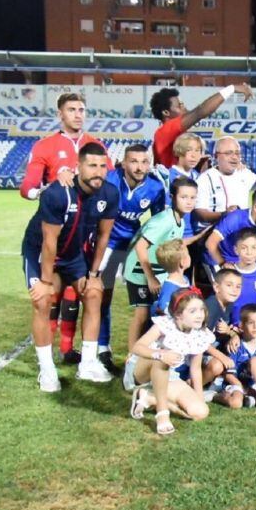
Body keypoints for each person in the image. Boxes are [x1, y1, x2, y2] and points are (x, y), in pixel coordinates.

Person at [20, 92, 114, 365]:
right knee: (49, 297)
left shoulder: (95, 145)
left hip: (83, 237)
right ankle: (46, 362)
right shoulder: (45, 146)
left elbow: (106, 183)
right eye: (71, 109)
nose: (77, 114)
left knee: (80, 294)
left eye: (81, 109)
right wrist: (51, 186)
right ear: (60, 114)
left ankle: (69, 350)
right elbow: (27, 188)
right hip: (53, 231)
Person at [97, 144, 167, 372]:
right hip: (108, 246)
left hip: (133, 247)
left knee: (145, 301)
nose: (139, 167)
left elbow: (158, 222)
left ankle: (143, 354)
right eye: (134, 161)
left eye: (144, 162)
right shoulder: (109, 180)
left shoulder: (155, 187)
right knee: (103, 296)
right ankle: (101, 348)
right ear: (124, 163)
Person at [123, 177, 201, 369]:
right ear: (173, 197)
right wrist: (149, 277)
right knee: (141, 314)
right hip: (139, 271)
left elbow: (179, 243)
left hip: (157, 273)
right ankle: (131, 356)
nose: (189, 201)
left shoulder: (180, 221)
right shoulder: (164, 220)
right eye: (184, 197)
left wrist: (203, 235)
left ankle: (149, 355)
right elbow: (141, 247)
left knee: (155, 314)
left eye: (192, 197)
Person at [127, 290, 213, 435]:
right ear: (178, 314)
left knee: (200, 412)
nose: (200, 315)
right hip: (143, 370)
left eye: (201, 310)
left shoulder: (201, 334)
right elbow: (137, 347)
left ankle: (148, 397)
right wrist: (159, 354)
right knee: (164, 359)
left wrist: (199, 397)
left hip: (168, 375)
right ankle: (162, 413)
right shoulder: (164, 325)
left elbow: (196, 369)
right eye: (193, 311)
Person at [150, 83, 253, 168]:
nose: (184, 108)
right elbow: (200, 111)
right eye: (180, 106)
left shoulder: (174, 135)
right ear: (166, 112)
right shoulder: (165, 131)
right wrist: (232, 88)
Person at [193, 136, 256, 234]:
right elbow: (200, 213)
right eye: (229, 153)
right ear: (216, 156)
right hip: (212, 232)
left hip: (242, 232)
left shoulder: (244, 173)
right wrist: (224, 214)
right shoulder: (205, 179)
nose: (234, 157)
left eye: (237, 153)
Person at [203, 185, 256, 270]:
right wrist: (223, 263)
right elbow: (210, 243)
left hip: (241, 261)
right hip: (218, 259)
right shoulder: (235, 218)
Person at [148, 239, 192, 318]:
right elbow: (163, 312)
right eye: (188, 254)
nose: (190, 256)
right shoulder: (169, 289)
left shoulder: (185, 279)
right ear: (182, 262)